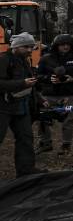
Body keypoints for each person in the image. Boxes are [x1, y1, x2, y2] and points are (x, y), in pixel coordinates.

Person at [36, 33, 73, 155]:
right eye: (62, 45)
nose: (65, 47)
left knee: (68, 119)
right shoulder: (46, 58)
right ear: (56, 45)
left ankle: (66, 145)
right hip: (49, 95)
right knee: (43, 117)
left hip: (70, 96)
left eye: (68, 44)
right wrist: (48, 79)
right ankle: (45, 142)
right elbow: (38, 75)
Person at [0, 32, 45, 176]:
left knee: (25, 139)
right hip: (3, 108)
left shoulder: (25, 61)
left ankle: (26, 170)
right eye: (26, 47)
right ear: (16, 46)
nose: (30, 50)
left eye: (31, 47)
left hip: (21, 108)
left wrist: (39, 99)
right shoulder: (3, 60)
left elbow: (29, 84)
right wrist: (21, 83)